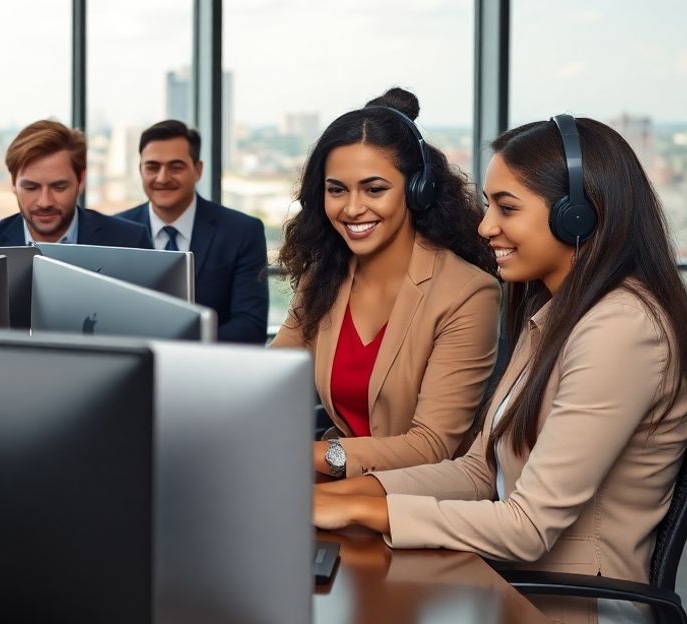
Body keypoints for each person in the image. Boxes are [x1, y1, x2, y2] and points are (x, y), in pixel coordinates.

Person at [314, 116, 687, 624]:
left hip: (571, 607)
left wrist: (359, 510)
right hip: (508, 584)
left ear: (576, 215)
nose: (486, 226)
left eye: (506, 207)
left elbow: (528, 526)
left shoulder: (622, 329)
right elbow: (478, 471)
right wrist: (341, 494)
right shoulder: (559, 312)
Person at [272, 88, 499, 478]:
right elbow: (269, 376)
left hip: (419, 503)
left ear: (417, 190)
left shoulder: (468, 294)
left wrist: (309, 456)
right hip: (339, 489)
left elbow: (431, 446)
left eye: (374, 189)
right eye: (336, 190)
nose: (353, 208)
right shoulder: (323, 279)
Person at [115, 120, 269, 343]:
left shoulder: (242, 232)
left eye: (175, 167)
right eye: (152, 167)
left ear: (198, 170)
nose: (162, 178)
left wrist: (180, 349)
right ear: (140, 170)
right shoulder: (116, 232)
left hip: (209, 370)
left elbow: (250, 327)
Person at [0, 119, 149, 248]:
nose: (45, 202)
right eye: (31, 187)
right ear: (13, 183)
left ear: (81, 180)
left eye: (58, 187)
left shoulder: (130, 241)